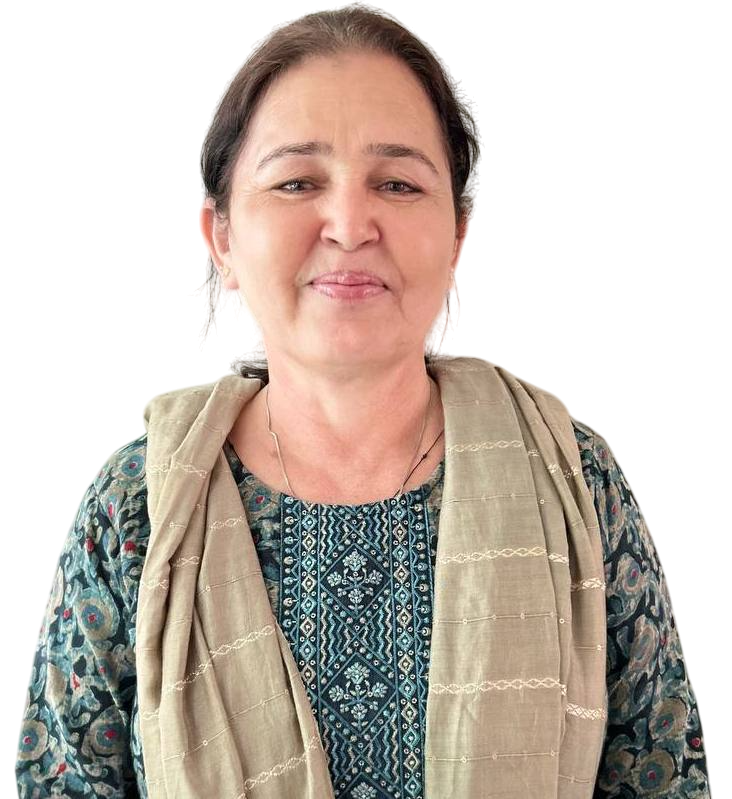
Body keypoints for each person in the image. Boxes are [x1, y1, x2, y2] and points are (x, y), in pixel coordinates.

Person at [15, 5, 711, 798]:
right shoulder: (137, 509)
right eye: (297, 182)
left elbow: (665, 777)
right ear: (223, 238)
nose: (349, 224)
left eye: (398, 184)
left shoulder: (575, 484)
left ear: (457, 234)